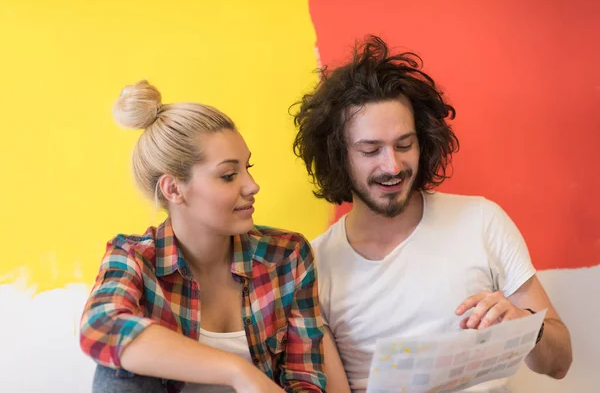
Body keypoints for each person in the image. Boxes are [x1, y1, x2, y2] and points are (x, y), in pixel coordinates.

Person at [291, 36, 572, 392]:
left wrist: (525, 324)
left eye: (404, 145)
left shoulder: (482, 221)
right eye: (371, 150)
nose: (392, 165)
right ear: (338, 157)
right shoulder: (314, 266)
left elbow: (560, 363)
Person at [80, 80, 326, 393]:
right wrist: (237, 371)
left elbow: (307, 380)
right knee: (114, 373)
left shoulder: (286, 255)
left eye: (248, 168)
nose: (252, 186)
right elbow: (101, 327)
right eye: (228, 175)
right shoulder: (134, 258)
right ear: (174, 189)